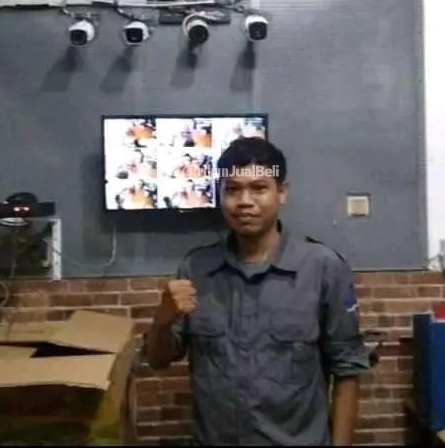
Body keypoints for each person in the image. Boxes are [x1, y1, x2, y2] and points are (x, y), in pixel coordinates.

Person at [144, 137, 371, 446]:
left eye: (259, 188)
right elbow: (158, 361)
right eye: (232, 190)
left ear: (282, 192)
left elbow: (347, 371)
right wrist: (161, 320)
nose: (244, 201)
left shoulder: (322, 268)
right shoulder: (196, 269)